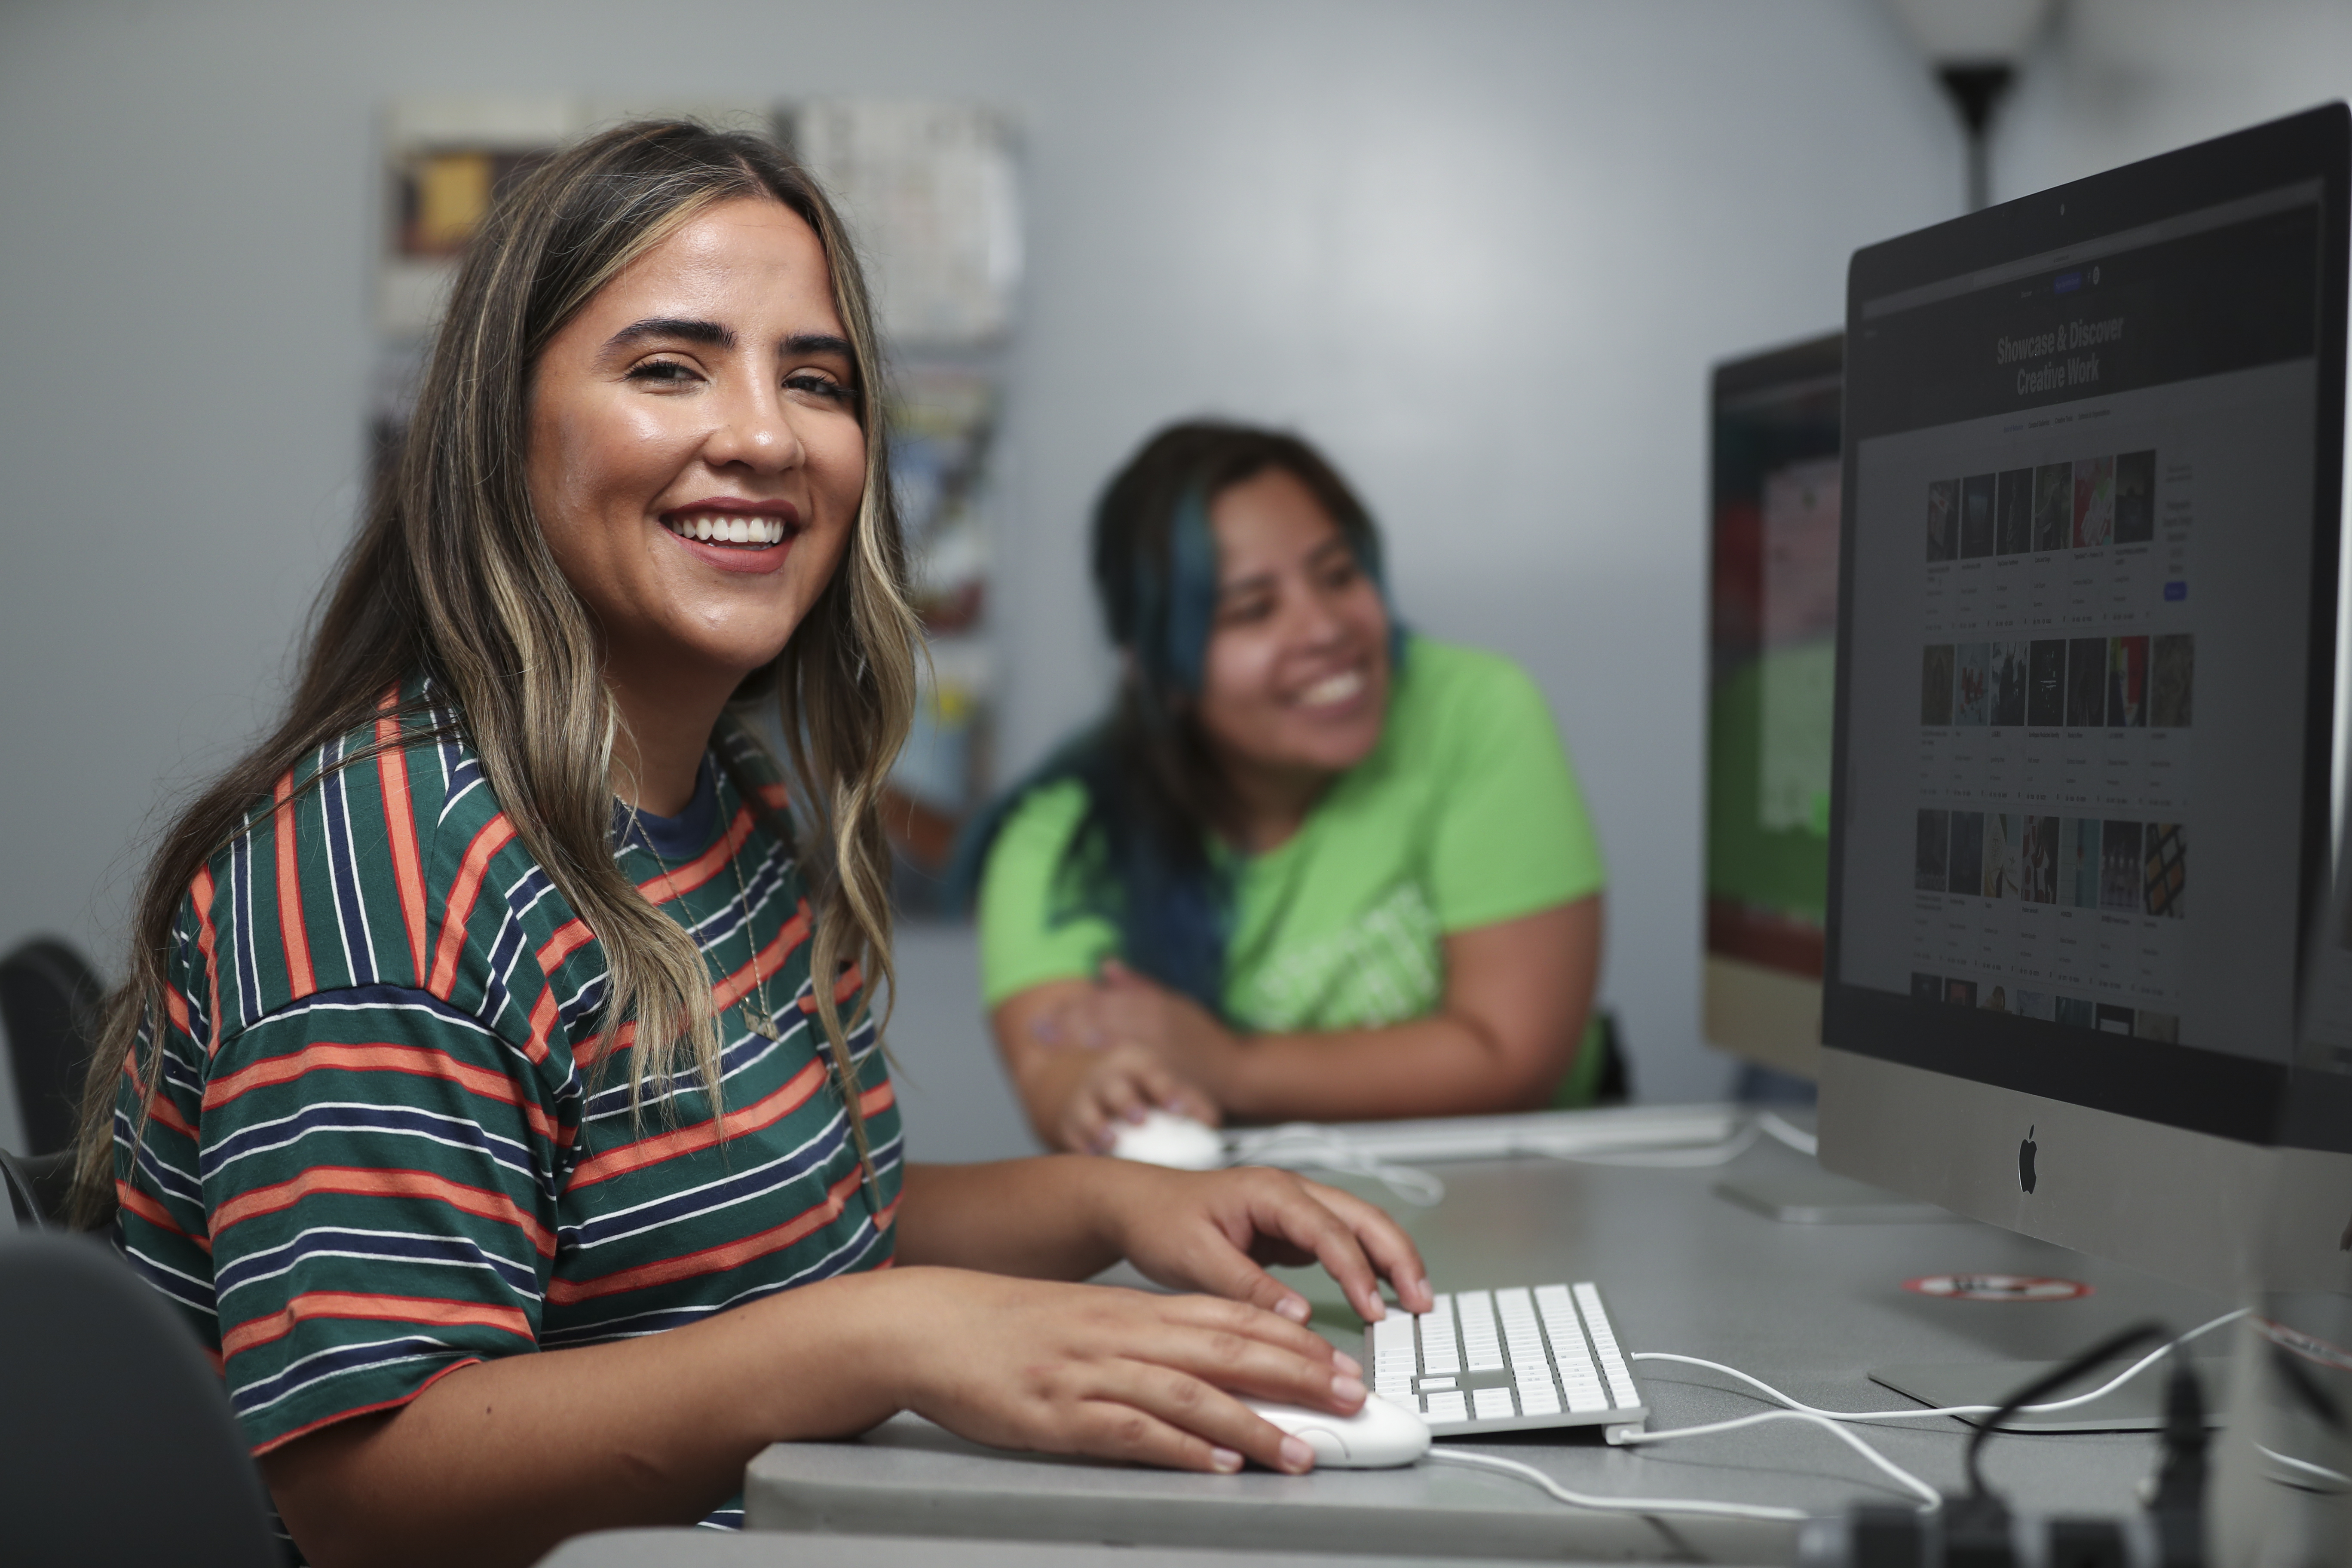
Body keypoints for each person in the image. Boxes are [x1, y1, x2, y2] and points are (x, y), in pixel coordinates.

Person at [70, 124, 1430, 1568]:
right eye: (670, 366)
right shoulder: (386, 863)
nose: (769, 436)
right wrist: (880, 1334)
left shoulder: (727, 805)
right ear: (499, 430)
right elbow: (374, 1488)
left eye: (817, 380)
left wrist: (1124, 1201)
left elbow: (810, 1227)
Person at [973, 423, 1608, 1155]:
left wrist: (1231, 1066)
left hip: (1523, 1190)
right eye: (1253, 610)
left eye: (1339, 574)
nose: (1326, 627)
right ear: (1158, 670)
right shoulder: (1060, 840)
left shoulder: (1477, 710)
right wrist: (1098, 1087)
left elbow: (1512, 1059)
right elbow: (1059, 1068)